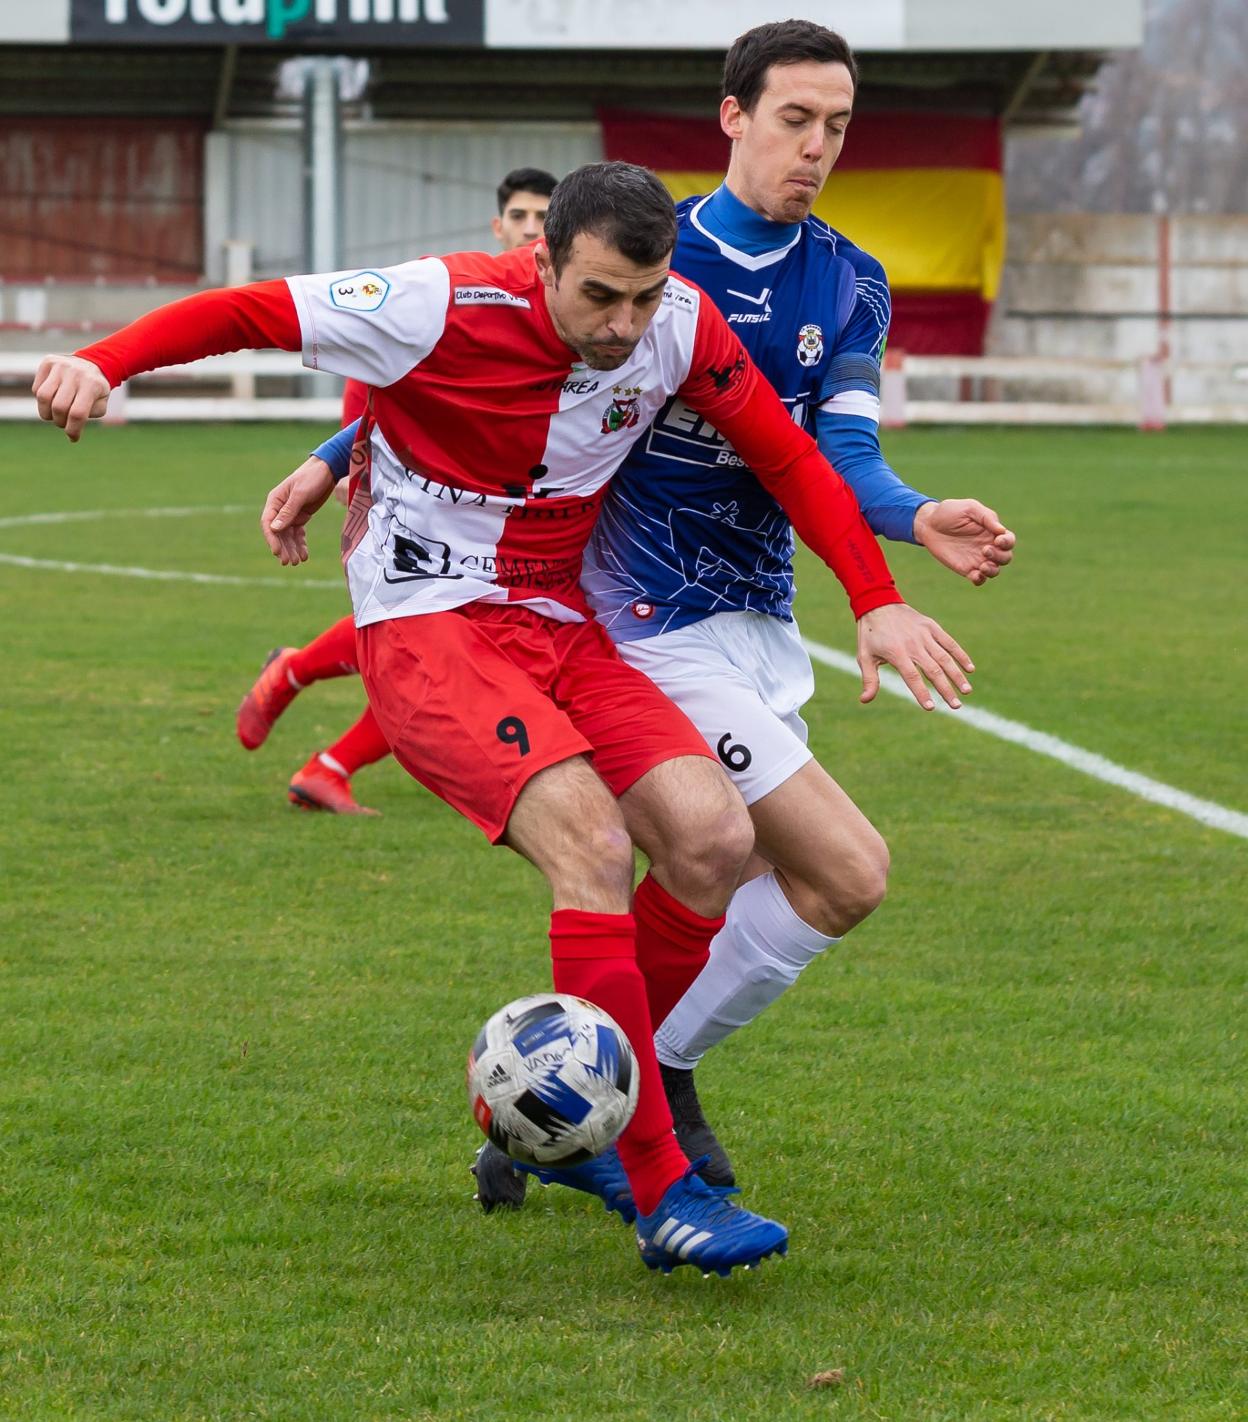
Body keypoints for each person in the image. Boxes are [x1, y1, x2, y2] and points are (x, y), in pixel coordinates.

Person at [33, 162, 973, 1275]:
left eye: (646, 293)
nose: (627, 324)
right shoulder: (445, 301)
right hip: (429, 627)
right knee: (593, 839)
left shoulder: (676, 322)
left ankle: (581, 1113)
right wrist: (102, 360)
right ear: (543, 264)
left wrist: (875, 598)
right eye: (600, 298)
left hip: (557, 621)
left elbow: (786, 456)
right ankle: (660, 1186)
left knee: (713, 841)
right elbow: (250, 310)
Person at [472, 22, 1019, 1208]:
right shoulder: (641, 247)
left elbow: (842, 461)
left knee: (775, 884)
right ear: (732, 115)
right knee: (848, 869)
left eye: (837, 126)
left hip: (760, 628)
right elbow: (468, 356)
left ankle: (587, 1089)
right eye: (793, 120)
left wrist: (913, 517)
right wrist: (332, 451)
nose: (816, 147)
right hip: (640, 624)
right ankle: (643, 1091)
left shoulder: (851, 282)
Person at [237, 166, 561, 816]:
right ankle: (310, 714)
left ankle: (317, 736)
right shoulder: (452, 293)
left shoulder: (561, 311)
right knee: (444, 648)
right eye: (520, 217)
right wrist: (343, 461)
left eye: (542, 219)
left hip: (490, 501)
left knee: (467, 651)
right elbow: (384, 390)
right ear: (499, 226)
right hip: (408, 481)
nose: (530, 229)